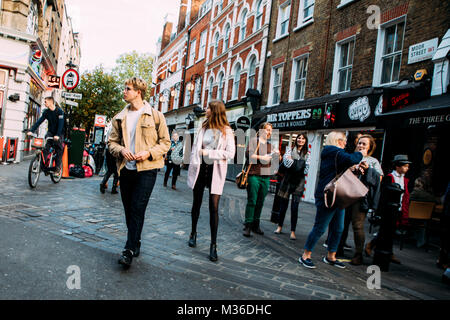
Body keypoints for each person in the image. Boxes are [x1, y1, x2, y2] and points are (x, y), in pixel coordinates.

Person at [108, 77, 171, 268]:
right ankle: (136, 241)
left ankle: (127, 250)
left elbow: (165, 143)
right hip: (126, 170)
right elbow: (111, 143)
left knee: (137, 207)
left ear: (138, 92)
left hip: (147, 170)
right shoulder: (119, 117)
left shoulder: (156, 116)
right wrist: (121, 150)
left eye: (127, 88)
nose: (124, 91)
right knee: (130, 210)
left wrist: (149, 153)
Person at [299, 131, 363, 269]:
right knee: (320, 227)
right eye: (344, 140)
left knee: (338, 228)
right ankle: (305, 255)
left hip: (338, 194)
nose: (346, 142)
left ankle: (331, 256)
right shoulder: (332, 150)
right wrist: (360, 151)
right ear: (337, 140)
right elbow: (353, 159)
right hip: (328, 195)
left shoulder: (336, 153)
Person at [187, 100, 235, 262]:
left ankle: (213, 245)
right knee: (196, 203)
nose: (206, 109)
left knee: (213, 208)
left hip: (215, 171)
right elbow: (195, 148)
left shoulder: (227, 131)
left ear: (214, 111)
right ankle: (193, 233)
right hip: (201, 170)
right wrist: (193, 161)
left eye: (208, 107)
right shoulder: (203, 127)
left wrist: (208, 154)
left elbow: (230, 153)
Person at [365, 154, 412, 265]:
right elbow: (383, 195)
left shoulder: (405, 180)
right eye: (405, 166)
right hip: (388, 209)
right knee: (385, 230)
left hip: (398, 208)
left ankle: (388, 251)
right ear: (397, 166)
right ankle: (372, 245)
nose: (407, 168)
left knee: (392, 231)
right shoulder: (389, 177)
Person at [349, 134, 383, 265]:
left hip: (360, 196)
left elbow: (379, 178)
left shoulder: (373, 161)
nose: (361, 146)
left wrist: (368, 169)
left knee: (357, 225)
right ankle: (336, 249)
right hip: (346, 193)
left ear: (369, 147)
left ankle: (358, 254)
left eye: (364, 144)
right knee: (342, 224)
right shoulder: (350, 157)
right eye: (359, 143)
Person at [243, 122, 279, 237]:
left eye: (270, 130)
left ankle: (255, 224)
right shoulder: (254, 141)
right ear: (261, 130)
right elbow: (249, 155)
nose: (268, 132)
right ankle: (248, 225)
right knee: (252, 200)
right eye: (266, 129)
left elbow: (275, 160)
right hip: (254, 175)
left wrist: (277, 155)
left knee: (260, 202)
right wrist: (262, 157)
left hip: (266, 176)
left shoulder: (270, 146)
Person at [274, 133, 309, 240]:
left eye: (303, 138)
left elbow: (306, 169)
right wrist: (298, 164)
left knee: (295, 207)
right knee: (283, 205)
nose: (301, 140)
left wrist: (293, 161)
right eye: (299, 138)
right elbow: (287, 163)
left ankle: (292, 231)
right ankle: (279, 226)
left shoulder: (308, 153)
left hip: (299, 181)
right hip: (288, 180)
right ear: (296, 139)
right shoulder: (289, 149)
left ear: (305, 141)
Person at [27, 96, 65, 176]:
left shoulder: (60, 112)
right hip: (50, 132)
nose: (44, 103)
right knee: (45, 148)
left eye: (45, 102)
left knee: (59, 149)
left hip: (59, 133)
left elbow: (61, 125)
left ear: (51, 102)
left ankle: (57, 168)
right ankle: (42, 166)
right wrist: (31, 130)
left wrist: (57, 135)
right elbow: (39, 121)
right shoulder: (46, 112)